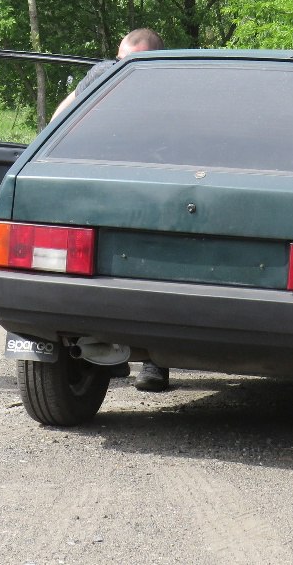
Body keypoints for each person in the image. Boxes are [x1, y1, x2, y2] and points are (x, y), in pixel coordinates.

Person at [51, 27, 171, 393]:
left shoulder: (166, 87)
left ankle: (150, 361)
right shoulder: (105, 74)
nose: (125, 68)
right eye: (122, 60)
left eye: (132, 61)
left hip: (147, 195)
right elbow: (62, 114)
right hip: (111, 193)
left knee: (147, 273)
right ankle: (118, 357)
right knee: (110, 274)